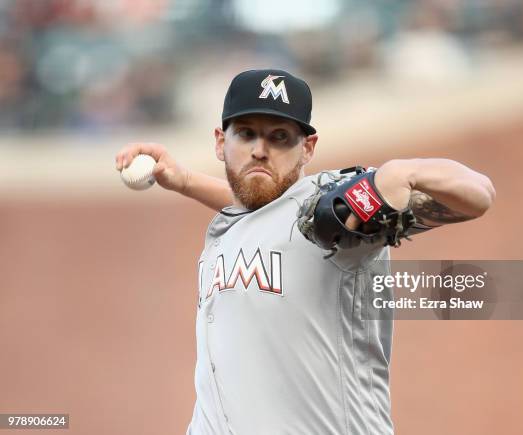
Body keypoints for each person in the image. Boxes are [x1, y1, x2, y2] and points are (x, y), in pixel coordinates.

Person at [115, 69, 495, 435]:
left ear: (308, 148)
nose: (260, 151)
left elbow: (478, 195)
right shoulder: (231, 227)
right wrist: (182, 180)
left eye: (280, 137)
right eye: (246, 134)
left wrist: (405, 172)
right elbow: (256, 211)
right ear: (220, 142)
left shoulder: (332, 208)